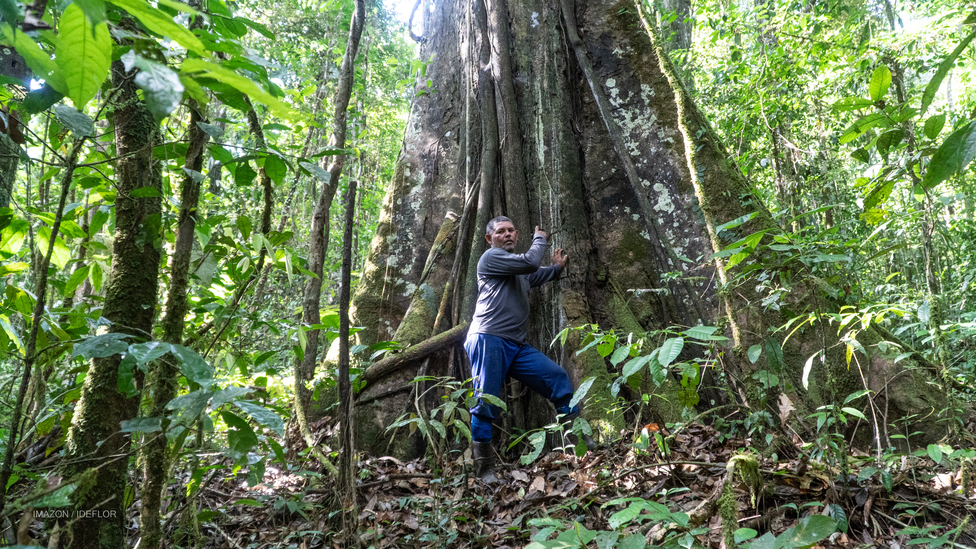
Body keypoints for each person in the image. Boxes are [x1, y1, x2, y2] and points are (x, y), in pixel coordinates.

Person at [465, 216, 596, 483]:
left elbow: (536, 273)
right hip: (488, 339)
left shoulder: (517, 269)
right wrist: (540, 240)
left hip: (515, 345)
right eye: (501, 232)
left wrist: (557, 268)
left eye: (512, 230)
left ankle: (581, 443)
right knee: (485, 402)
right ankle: (485, 471)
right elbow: (530, 262)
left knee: (556, 377)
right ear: (490, 239)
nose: (508, 234)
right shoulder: (490, 258)